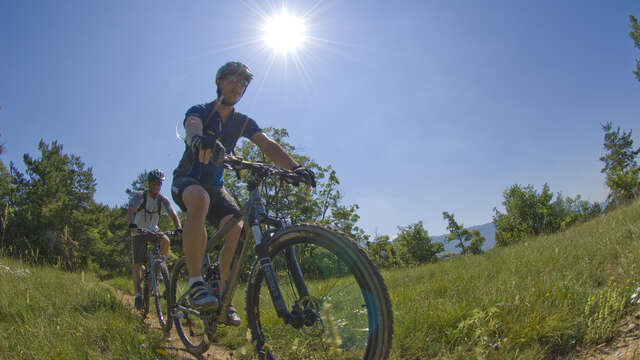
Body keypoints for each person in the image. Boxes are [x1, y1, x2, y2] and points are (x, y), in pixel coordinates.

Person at [171, 61, 315, 326]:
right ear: (219, 82)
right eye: (233, 80)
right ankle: (195, 283)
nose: (238, 86)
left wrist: (296, 168)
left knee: (237, 228)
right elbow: (192, 126)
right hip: (187, 181)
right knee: (200, 199)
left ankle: (221, 294)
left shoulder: (242, 122)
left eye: (243, 83)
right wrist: (197, 140)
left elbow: (267, 144)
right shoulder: (201, 111)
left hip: (217, 188)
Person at [128, 169, 183, 310]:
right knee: (138, 265)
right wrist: (132, 224)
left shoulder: (163, 200)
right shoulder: (140, 196)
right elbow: (131, 210)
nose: (157, 185)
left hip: (153, 230)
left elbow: (173, 215)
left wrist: (179, 228)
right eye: (154, 182)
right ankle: (138, 295)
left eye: (159, 183)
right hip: (139, 231)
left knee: (165, 241)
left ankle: (157, 270)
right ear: (149, 183)